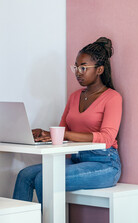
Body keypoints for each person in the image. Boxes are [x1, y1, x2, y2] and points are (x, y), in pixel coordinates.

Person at [13, 37, 122, 205]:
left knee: (45, 178)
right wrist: (44, 135)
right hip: (77, 160)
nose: (78, 72)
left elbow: (107, 138)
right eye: (76, 67)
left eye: (83, 68)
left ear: (99, 70)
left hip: (104, 164)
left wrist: (57, 134)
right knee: (24, 175)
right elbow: (61, 132)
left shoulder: (112, 98)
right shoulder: (74, 96)